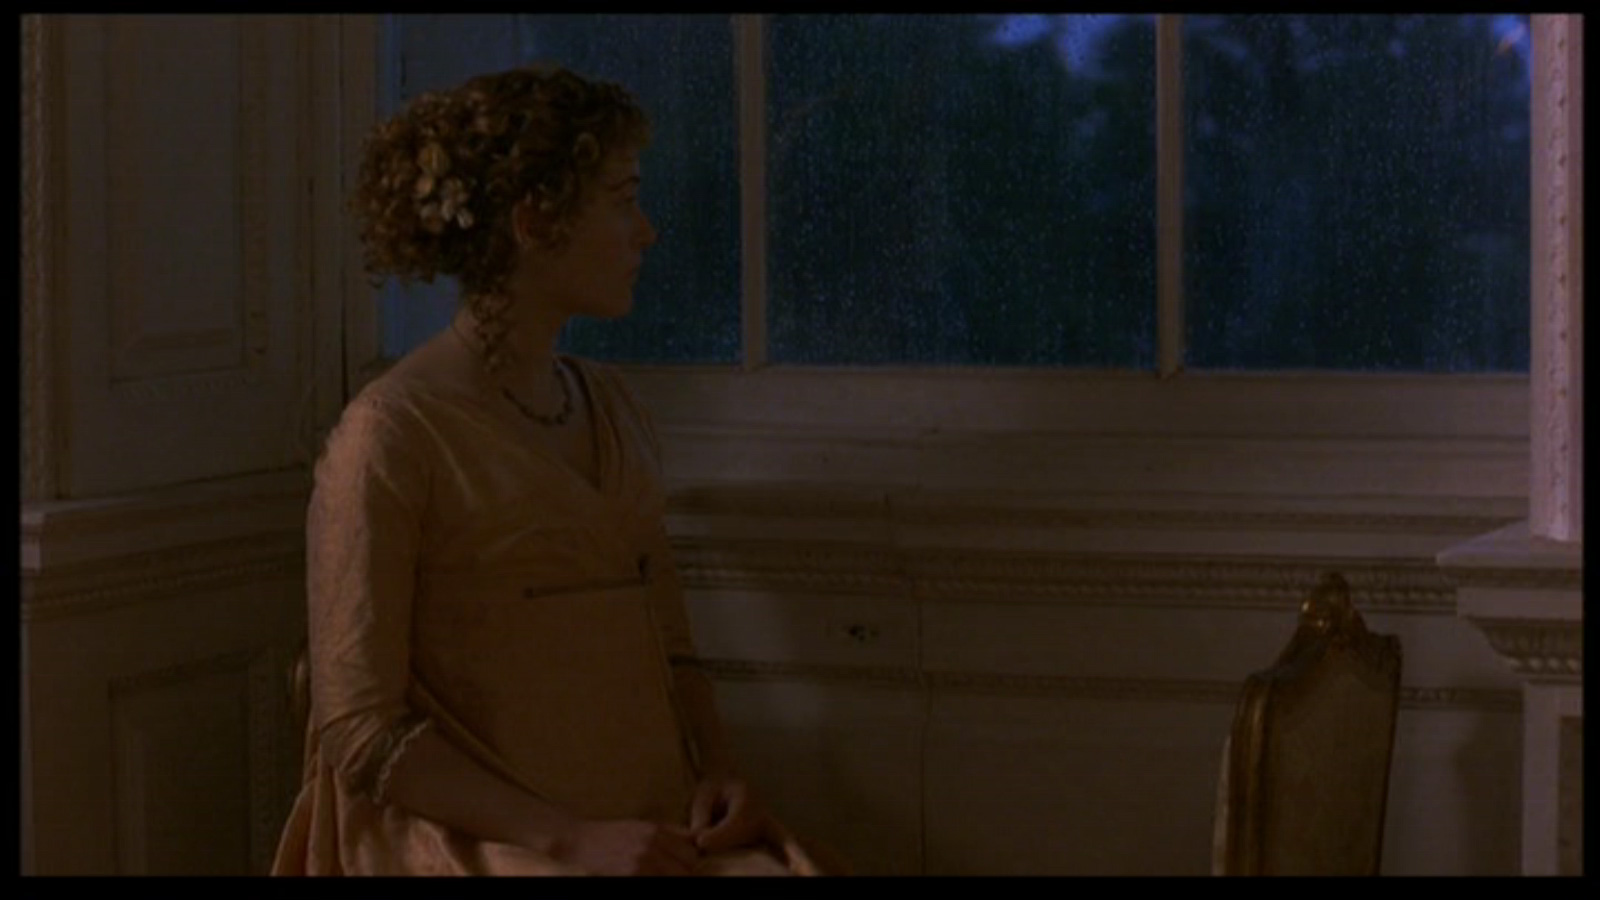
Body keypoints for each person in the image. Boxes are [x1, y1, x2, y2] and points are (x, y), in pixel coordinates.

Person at [271, 63, 837, 877]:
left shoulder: (611, 407)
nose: (646, 232)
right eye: (622, 200)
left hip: (643, 816)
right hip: (483, 837)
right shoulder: (391, 435)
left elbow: (670, 646)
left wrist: (716, 771)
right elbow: (359, 727)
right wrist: (567, 837)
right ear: (535, 221)